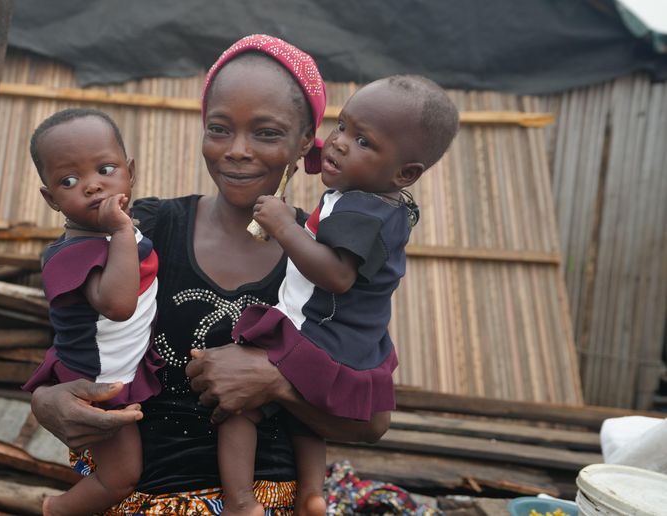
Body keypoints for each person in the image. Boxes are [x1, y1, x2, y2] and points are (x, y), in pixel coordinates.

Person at [30, 35, 391, 515]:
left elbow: (373, 421)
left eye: (266, 133)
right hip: (135, 497)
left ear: (305, 141)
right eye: (220, 129)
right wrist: (47, 403)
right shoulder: (145, 230)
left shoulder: (327, 258)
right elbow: (76, 344)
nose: (237, 151)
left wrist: (275, 383)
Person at [235, 74, 460, 511]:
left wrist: (283, 225)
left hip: (320, 333)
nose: (338, 143)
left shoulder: (360, 209)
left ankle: (241, 499)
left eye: (362, 141)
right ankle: (313, 495)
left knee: (241, 402)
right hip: (356, 338)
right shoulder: (379, 196)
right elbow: (335, 158)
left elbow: (337, 275)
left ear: (406, 172)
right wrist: (313, 149)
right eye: (342, 125)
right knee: (305, 420)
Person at [22, 108, 163, 515]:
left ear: (130, 173)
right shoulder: (70, 255)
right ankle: (57, 510)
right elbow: (119, 305)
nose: (92, 186)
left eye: (105, 168)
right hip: (97, 381)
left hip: (121, 367)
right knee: (121, 476)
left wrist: (122, 230)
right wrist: (120, 231)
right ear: (51, 198)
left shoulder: (127, 228)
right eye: (69, 181)